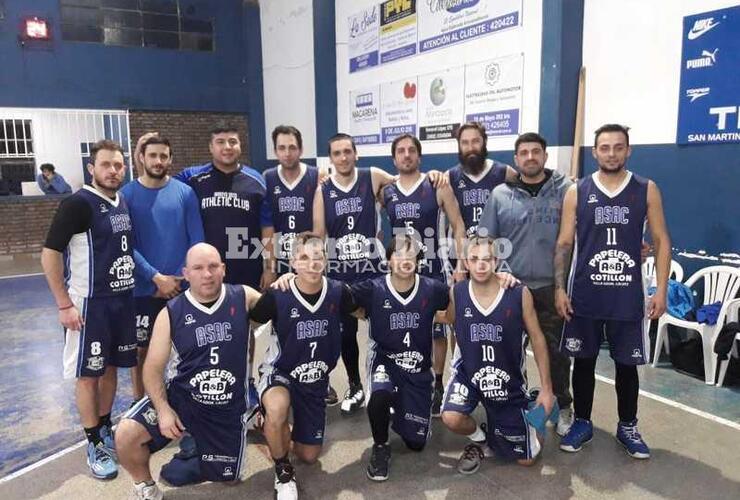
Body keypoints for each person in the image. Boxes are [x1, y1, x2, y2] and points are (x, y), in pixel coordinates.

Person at [554, 124, 670, 459]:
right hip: (585, 294)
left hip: (627, 295)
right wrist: (560, 289)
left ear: (629, 150)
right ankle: (584, 422)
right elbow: (564, 243)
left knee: (626, 365)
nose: (612, 153)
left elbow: (662, 241)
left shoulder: (646, 189)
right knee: (584, 362)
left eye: (618, 147)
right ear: (594, 152)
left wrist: (660, 290)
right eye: (605, 148)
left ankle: (628, 426)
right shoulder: (578, 190)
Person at [115, 243, 262, 500]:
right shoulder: (171, 312)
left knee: (227, 479)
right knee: (126, 434)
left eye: (213, 266)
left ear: (223, 270)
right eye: (198, 268)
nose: (207, 274)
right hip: (183, 399)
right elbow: (150, 369)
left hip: (227, 407)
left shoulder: (244, 297)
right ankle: (145, 488)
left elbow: (282, 311)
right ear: (186, 273)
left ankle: (197, 451)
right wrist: (163, 410)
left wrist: (287, 283)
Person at [41, 140, 136, 480]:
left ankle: (105, 424)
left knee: (110, 369)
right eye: (106, 164)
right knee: (88, 375)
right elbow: (50, 253)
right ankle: (93, 440)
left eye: (119, 165)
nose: (113, 170)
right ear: (91, 169)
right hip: (88, 304)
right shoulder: (77, 204)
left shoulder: (121, 200)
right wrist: (64, 303)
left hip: (122, 301)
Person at [478, 132, 575, 435]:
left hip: (551, 287)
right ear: (516, 159)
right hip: (511, 287)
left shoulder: (567, 190)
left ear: (545, 156)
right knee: (508, 351)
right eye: (524, 153)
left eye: (536, 152)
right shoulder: (500, 194)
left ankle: (563, 406)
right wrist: (490, 279)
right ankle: (514, 403)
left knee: (557, 353)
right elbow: (487, 240)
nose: (530, 157)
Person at [252, 233, 358, 499]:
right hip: (282, 373)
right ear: (293, 263)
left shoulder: (338, 292)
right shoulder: (279, 295)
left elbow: (367, 310)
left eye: (318, 257)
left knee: (309, 455)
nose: (312, 264)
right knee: (277, 410)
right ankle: (283, 470)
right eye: (304, 258)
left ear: (325, 260)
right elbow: (250, 321)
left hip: (315, 381)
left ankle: (271, 429)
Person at [440, 235, 555, 473]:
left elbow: (538, 338)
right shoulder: (457, 293)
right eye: (474, 259)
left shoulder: (518, 293)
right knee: (451, 417)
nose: (481, 265)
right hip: (469, 375)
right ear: (466, 262)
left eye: (487, 259)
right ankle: (483, 441)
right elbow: (447, 318)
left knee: (526, 461)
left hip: (506, 379)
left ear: (497, 261)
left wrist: (547, 388)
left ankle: (534, 418)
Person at [380, 133, 466, 417]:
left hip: (434, 267)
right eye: (400, 151)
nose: (406, 155)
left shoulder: (436, 185)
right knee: (405, 326)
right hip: (401, 270)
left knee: (438, 329)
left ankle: (438, 383)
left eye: (411, 151)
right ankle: (407, 379)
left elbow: (458, 225)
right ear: (394, 158)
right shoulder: (387, 190)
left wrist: (461, 266)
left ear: (419, 156)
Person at [353, 235, 450, 481]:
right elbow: (339, 298)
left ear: (417, 261)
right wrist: (365, 314)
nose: (404, 260)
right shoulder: (373, 288)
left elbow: (459, 301)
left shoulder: (433, 288)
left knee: (415, 443)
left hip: (417, 369)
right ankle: (381, 445)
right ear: (388, 261)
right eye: (398, 254)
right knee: (380, 393)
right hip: (385, 360)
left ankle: (400, 409)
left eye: (410, 255)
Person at [121, 134, 204, 401]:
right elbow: (126, 245)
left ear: (170, 159)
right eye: (153, 155)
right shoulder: (127, 195)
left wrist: (180, 279)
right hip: (144, 290)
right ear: (141, 158)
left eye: (163, 156)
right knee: (142, 351)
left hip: (181, 288)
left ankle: (187, 402)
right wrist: (155, 278)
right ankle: (141, 403)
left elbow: (197, 240)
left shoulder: (185, 193)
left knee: (189, 347)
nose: (158, 161)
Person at [263, 126, 320, 276]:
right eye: (281, 148)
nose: (287, 153)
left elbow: (321, 226)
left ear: (301, 150)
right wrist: (269, 267)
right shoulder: (268, 178)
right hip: (280, 257)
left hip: (308, 259)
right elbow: (267, 227)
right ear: (275, 151)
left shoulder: (317, 175)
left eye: (292, 148)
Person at [448, 122, 515, 237]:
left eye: (476, 141)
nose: (470, 148)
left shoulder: (505, 173)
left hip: (496, 250)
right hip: (464, 250)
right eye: (465, 143)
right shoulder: (450, 177)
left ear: (484, 142)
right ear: (459, 146)